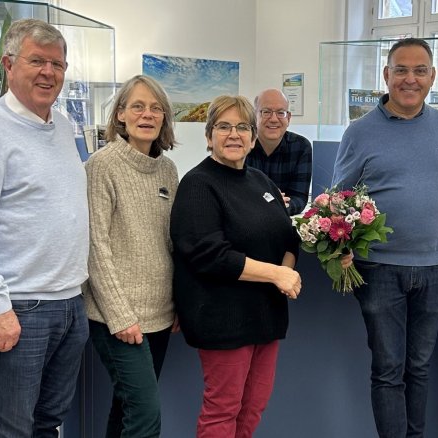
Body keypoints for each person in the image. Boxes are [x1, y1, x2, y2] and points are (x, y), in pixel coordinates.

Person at [0, 19, 89, 438]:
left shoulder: (62, 126)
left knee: (49, 423)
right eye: (37, 61)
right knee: (10, 427)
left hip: (69, 302)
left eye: (57, 64)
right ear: (9, 65)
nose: (49, 72)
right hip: (20, 307)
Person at [332, 37, 438, 438]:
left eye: (420, 70)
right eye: (401, 70)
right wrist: (341, 248)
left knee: (419, 369)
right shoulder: (360, 132)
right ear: (386, 75)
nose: (410, 79)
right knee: (388, 371)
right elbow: (338, 199)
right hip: (380, 269)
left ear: (432, 77)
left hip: (435, 267)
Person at [170, 95, 301, 438]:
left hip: (266, 315)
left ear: (253, 138)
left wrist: (286, 274)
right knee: (223, 410)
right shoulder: (198, 184)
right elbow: (208, 253)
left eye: (242, 127)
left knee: (253, 406)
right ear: (208, 135)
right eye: (223, 126)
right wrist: (276, 274)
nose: (233, 134)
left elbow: (288, 237)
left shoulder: (261, 181)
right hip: (222, 317)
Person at [83, 75, 178, 438]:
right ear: (120, 113)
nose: (147, 114)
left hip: (159, 315)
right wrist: (121, 316)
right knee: (145, 412)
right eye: (137, 106)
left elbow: (170, 243)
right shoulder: (101, 165)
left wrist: (177, 304)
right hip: (116, 317)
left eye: (156, 108)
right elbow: (96, 248)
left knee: (126, 407)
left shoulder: (167, 169)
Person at [245, 88, 312, 215]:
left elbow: (299, 198)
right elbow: (232, 195)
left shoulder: (301, 147)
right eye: (266, 112)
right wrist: (268, 203)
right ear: (254, 116)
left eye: (281, 113)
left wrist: (278, 206)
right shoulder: (242, 145)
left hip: (283, 219)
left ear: (289, 118)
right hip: (245, 221)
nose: (274, 119)